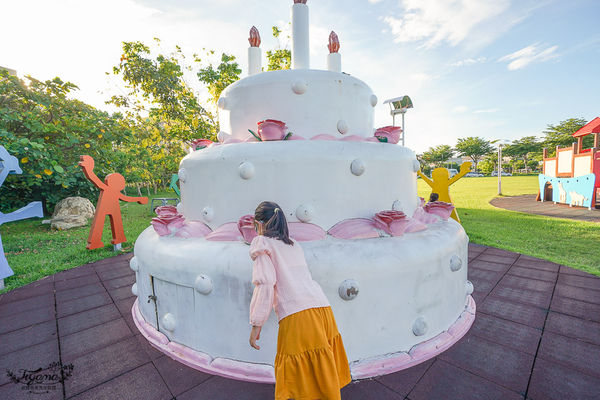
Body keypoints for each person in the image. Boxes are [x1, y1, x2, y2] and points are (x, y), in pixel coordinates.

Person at [248, 201, 351, 400]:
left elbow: (265, 283)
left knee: (295, 379)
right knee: (320, 371)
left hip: (298, 316)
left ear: (259, 224)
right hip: (322, 308)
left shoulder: (262, 244)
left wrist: (256, 323)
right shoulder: (292, 244)